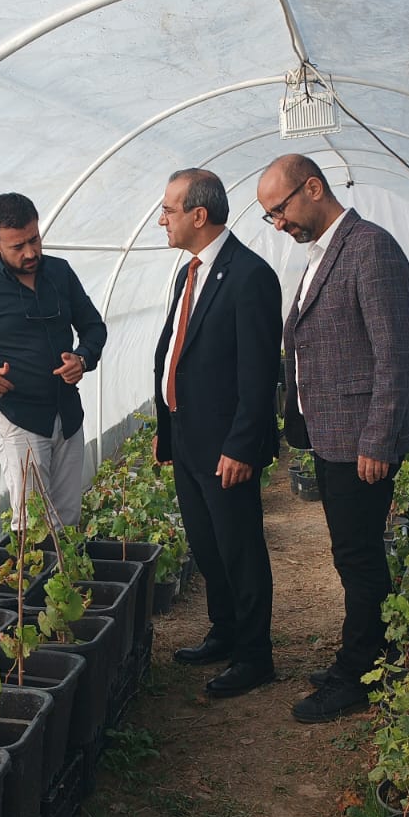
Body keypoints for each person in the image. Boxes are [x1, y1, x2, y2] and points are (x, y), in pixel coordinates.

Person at [257, 154, 409, 723]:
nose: (277, 223)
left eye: (279, 209)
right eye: (269, 216)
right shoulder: (323, 253)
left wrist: (377, 440)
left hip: (360, 440)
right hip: (333, 434)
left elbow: (395, 354)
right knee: (352, 554)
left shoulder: (370, 248)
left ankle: (358, 675)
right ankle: (366, 656)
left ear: (313, 187)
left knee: (359, 557)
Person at [152, 168, 283, 699]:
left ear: (199, 215)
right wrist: (166, 425)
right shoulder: (191, 272)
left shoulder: (249, 276)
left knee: (239, 548)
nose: (162, 220)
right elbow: (178, 351)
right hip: (187, 434)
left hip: (225, 444)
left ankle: (254, 656)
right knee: (206, 545)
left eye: (169, 210)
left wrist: (242, 445)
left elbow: (259, 373)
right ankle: (224, 631)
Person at [0, 192, 107, 529]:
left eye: (34, 240)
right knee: (34, 526)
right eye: (17, 246)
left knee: (68, 519)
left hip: (67, 414)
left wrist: (83, 358)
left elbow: (93, 327)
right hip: (17, 419)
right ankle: (36, 565)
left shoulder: (59, 272)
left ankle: (65, 566)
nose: (30, 253)